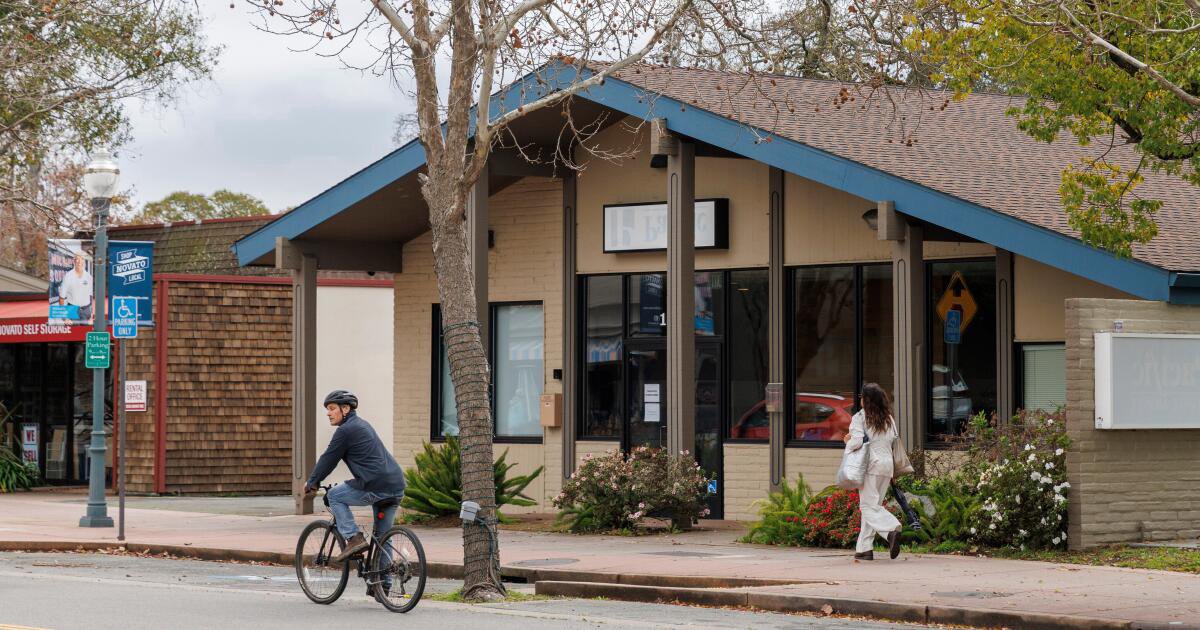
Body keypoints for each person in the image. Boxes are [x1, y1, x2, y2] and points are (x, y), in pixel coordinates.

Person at [304, 390, 406, 571]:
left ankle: (353, 538)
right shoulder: (362, 425)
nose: (328, 413)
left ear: (345, 409)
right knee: (383, 537)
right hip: (395, 485)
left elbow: (329, 458)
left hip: (375, 485)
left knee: (335, 496)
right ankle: (384, 584)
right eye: (327, 409)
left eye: (332, 408)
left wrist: (312, 482)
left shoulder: (346, 430)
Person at [843, 382, 902, 561]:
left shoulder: (860, 417)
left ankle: (891, 529)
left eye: (862, 397)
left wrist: (847, 440)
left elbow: (857, 442)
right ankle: (864, 548)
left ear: (866, 400)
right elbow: (893, 439)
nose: (860, 399)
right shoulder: (888, 418)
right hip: (887, 466)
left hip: (870, 466)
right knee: (872, 506)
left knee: (867, 506)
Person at [57, 252, 93, 322]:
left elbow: (90, 296)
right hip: (72, 310)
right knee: (74, 332)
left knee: (85, 332)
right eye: (77, 259)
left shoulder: (89, 277)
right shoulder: (68, 276)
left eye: (82, 259)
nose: (79, 261)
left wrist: (91, 313)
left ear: (84, 261)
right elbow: (61, 298)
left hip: (86, 311)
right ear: (74, 261)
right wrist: (64, 318)